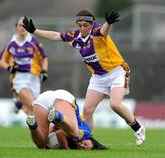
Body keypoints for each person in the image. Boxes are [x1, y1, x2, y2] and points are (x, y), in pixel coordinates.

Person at [22, 10, 145, 146]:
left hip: (117, 71)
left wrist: (108, 23)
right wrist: (34, 30)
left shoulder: (97, 30)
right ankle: (86, 139)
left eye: (85, 25)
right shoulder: (75, 36)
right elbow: (56, 36)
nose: (82, 28)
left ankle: (137, 127)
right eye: (79, 25)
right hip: (98, 77)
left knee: (114, 104)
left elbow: (104, 31)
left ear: (91, 24)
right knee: (87, 111)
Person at [26, 89, 108, 150]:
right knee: (76, 134)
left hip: (42, 100)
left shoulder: (73, 140)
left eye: (82, 148)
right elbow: (60, 133)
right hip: (63, 97)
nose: (82, 145)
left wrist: (51, 133)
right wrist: (66, 149)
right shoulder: (86, 133)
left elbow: (55, 130)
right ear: (90, 140)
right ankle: (57, 115)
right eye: (86, 144)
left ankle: (32, 124)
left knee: (41, 144)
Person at [0, 17, 48, 114]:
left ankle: (19, 103)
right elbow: (1, 60)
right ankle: (20, 100)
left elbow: (44, 58)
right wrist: (8, 67)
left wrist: (44, 71)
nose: (22, 28)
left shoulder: (34, 42)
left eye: (25, 25)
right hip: (19, 78)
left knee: (30, 112)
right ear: (16, 27)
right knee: (34, 106)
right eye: (20, 25)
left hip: (34, 77)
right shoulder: (11, 44)